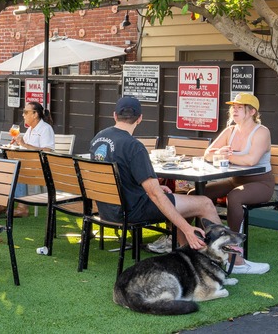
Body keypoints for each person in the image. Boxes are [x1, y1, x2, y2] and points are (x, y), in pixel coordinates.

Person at [89, 96, 219, 253]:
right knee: (205, 203)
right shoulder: (134, 146)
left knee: (176, 200)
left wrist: (152, 188)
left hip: (107, 210)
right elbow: (155, 195)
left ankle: (186, 254)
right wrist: (187, 229)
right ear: (140, 118)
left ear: (115, 115)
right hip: (132, 211)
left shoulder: (98, 138)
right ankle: (235, 261)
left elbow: (120, 179)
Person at [188, 93, 274, 275]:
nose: (234, 110)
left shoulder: (261, 131)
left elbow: (251, 160)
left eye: (239, 107)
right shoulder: (230, 130)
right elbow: (208, 154)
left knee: (234, 197)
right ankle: (192, 243)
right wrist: (219, 152)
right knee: (194, 195)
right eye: (233, 107)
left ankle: (235, 257)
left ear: (252, 111)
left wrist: (224, 155)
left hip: (261, 182)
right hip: (235, 180)